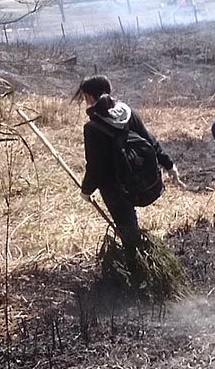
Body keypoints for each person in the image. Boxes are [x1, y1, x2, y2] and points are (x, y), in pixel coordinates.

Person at [75, 75, 179, 247]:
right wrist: (169, 164)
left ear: (89, 97)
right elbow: (150, 141)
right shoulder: (127, 113)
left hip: (114, 188)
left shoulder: (92, 128)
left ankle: (136, 262)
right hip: (139, 180)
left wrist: (86, 190)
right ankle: (139, 253)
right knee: (131, 227)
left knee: (128, 229)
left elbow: (96, 167)